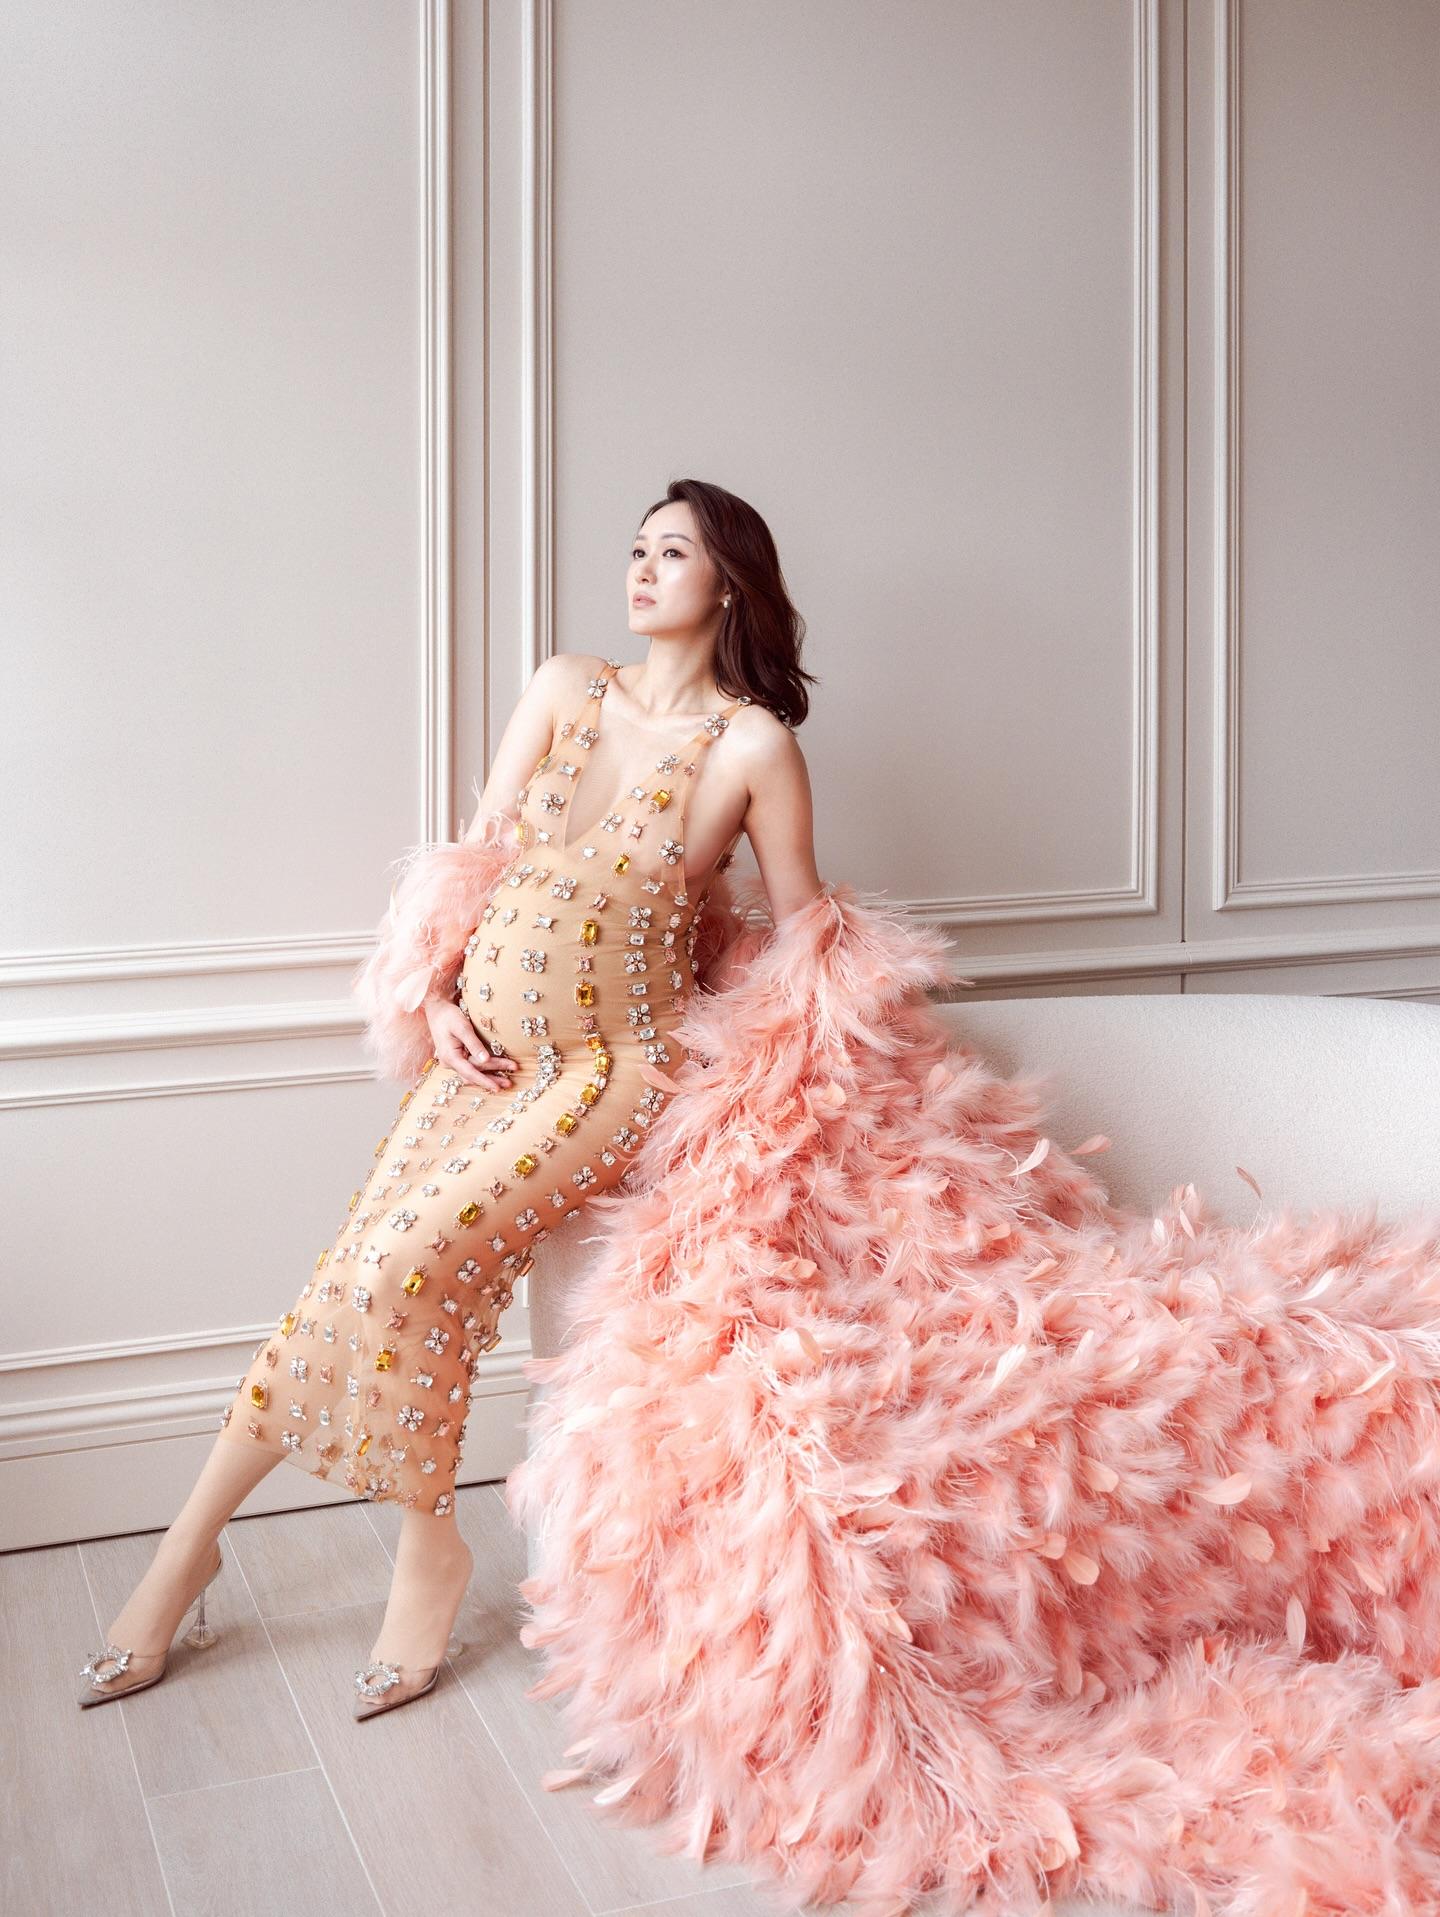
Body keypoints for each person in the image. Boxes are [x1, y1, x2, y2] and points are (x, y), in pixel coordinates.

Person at [76, 477, 822, 1719]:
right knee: (349, 1277)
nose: (641, 570)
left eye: (673, 553)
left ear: (730, 582)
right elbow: (472, 861)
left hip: (614, 1069)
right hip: (480, 1055)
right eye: (636, 548)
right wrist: (429, 996)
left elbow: (806, 943)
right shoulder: (565, 684)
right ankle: (186, 1556)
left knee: (401, 1260)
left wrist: (760, 1085)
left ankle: (423, 1550)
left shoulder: (753, 747)